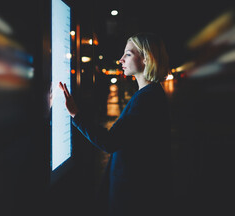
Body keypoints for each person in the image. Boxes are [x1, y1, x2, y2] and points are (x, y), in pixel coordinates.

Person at [59, 32, 171, 216]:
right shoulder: (151, 94)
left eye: (128, 54)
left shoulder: (146, 99)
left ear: (146, 59)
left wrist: (76, 115)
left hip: (133, 198)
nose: (120, 59)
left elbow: (110, 142)